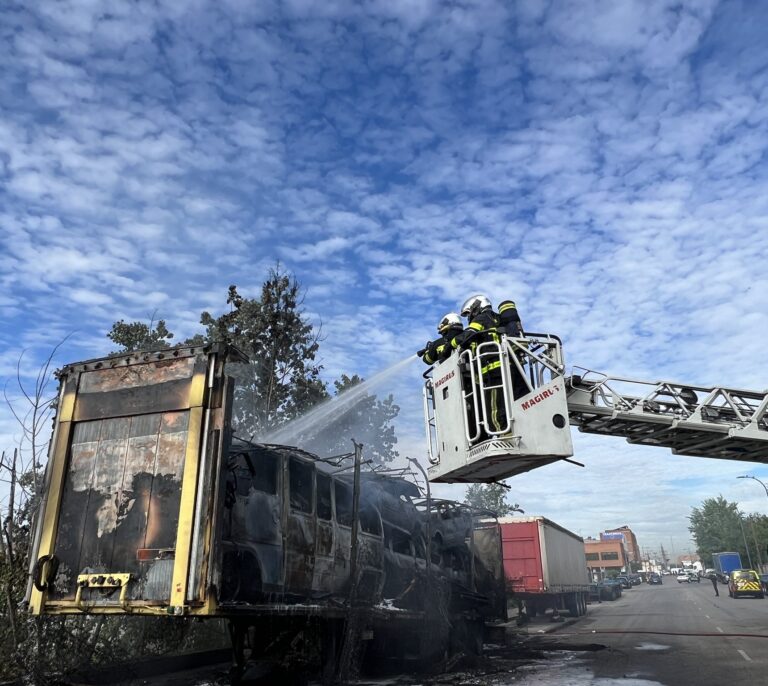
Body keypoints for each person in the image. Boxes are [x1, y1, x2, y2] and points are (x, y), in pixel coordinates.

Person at [453, 294, 507, 434]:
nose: (469, 317)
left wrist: (450, 345)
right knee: (503, 402)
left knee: (494, 406)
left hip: (492, 369)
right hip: (503, 367)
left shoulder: (481, 318)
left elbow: (468, 334)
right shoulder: (496, 318)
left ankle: (500, 433)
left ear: (476, 307)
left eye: (469, 313)